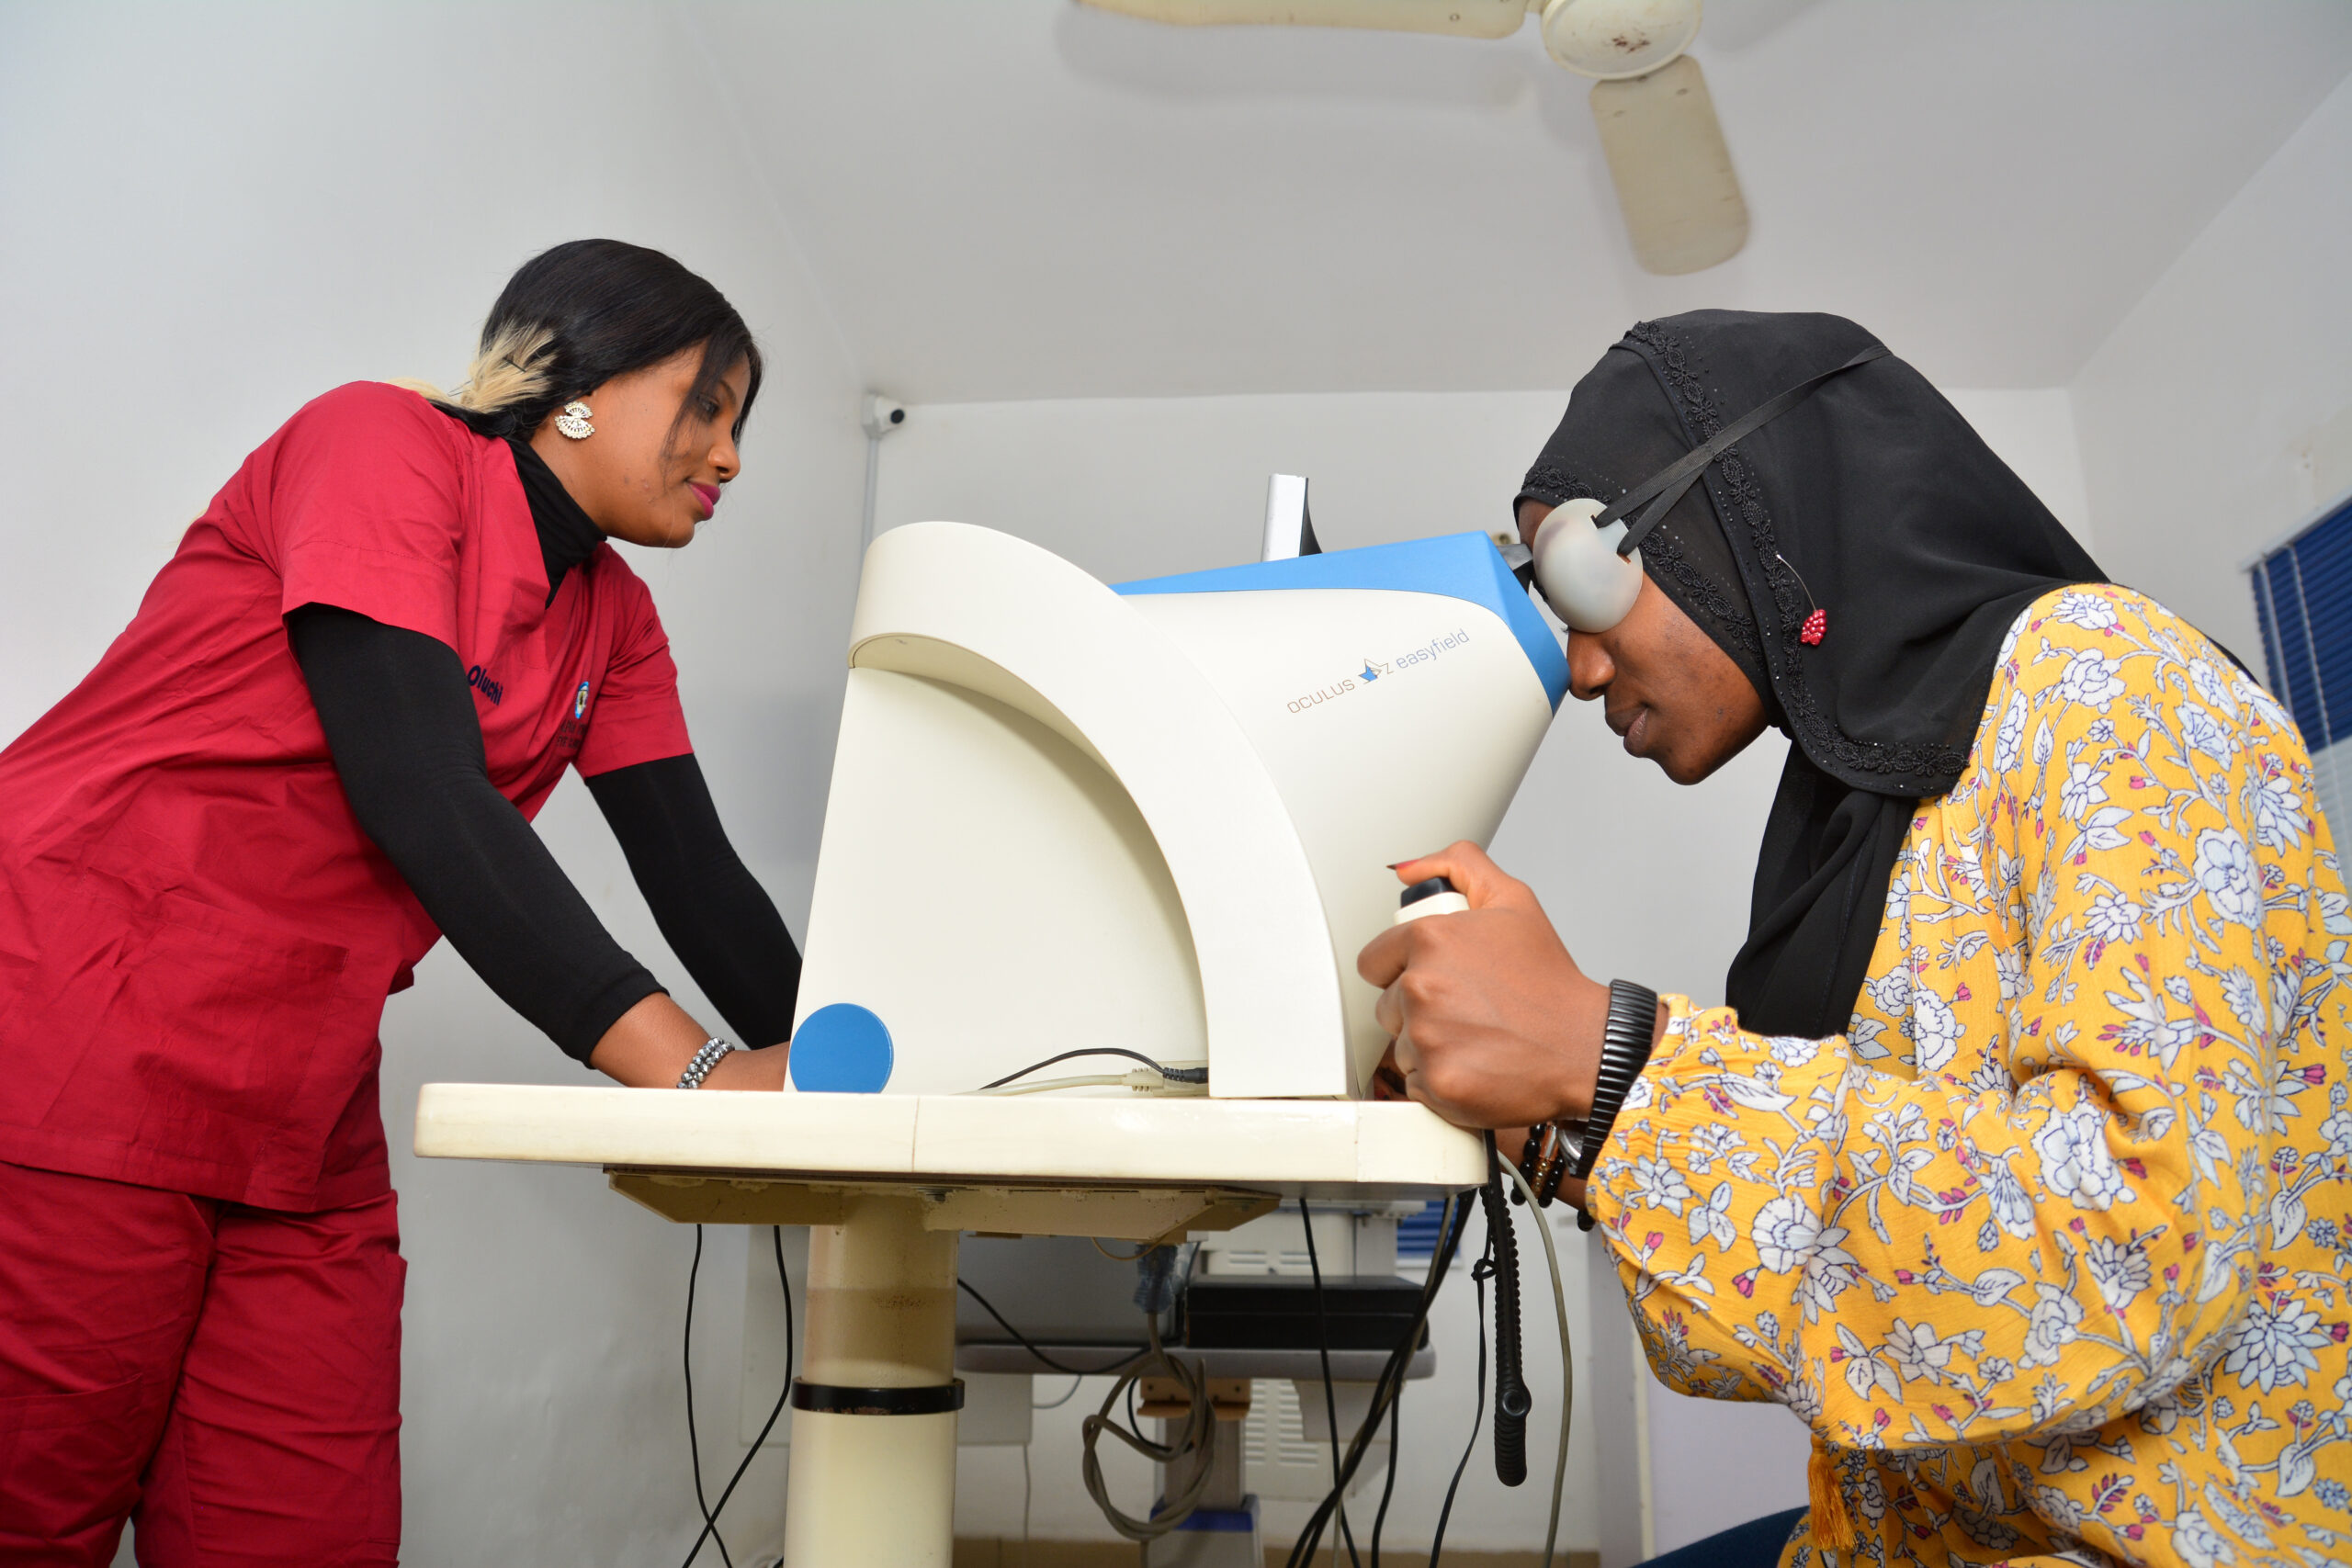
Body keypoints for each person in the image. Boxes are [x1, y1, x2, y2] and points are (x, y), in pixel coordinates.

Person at [1361, 311, 2349, 1568]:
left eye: (1571, 574)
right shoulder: (1861, 807)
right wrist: (1554, 1127)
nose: (1580, 668)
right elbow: (1855, 1296)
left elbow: (2128, 1256)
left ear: (1735, 512)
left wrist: (1609, 1060)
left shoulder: (2108, 684)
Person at [0, 240, 804, 1564]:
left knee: (303, 1535)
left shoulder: (616, 617)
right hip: (71, 1032)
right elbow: (422, 788)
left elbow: (698, 877)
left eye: (740, 423)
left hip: (297, 1106)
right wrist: (697, 1075)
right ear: (579, 380)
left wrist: (864, 1072)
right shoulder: (380, 443)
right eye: (707, 404)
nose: (727, 456)